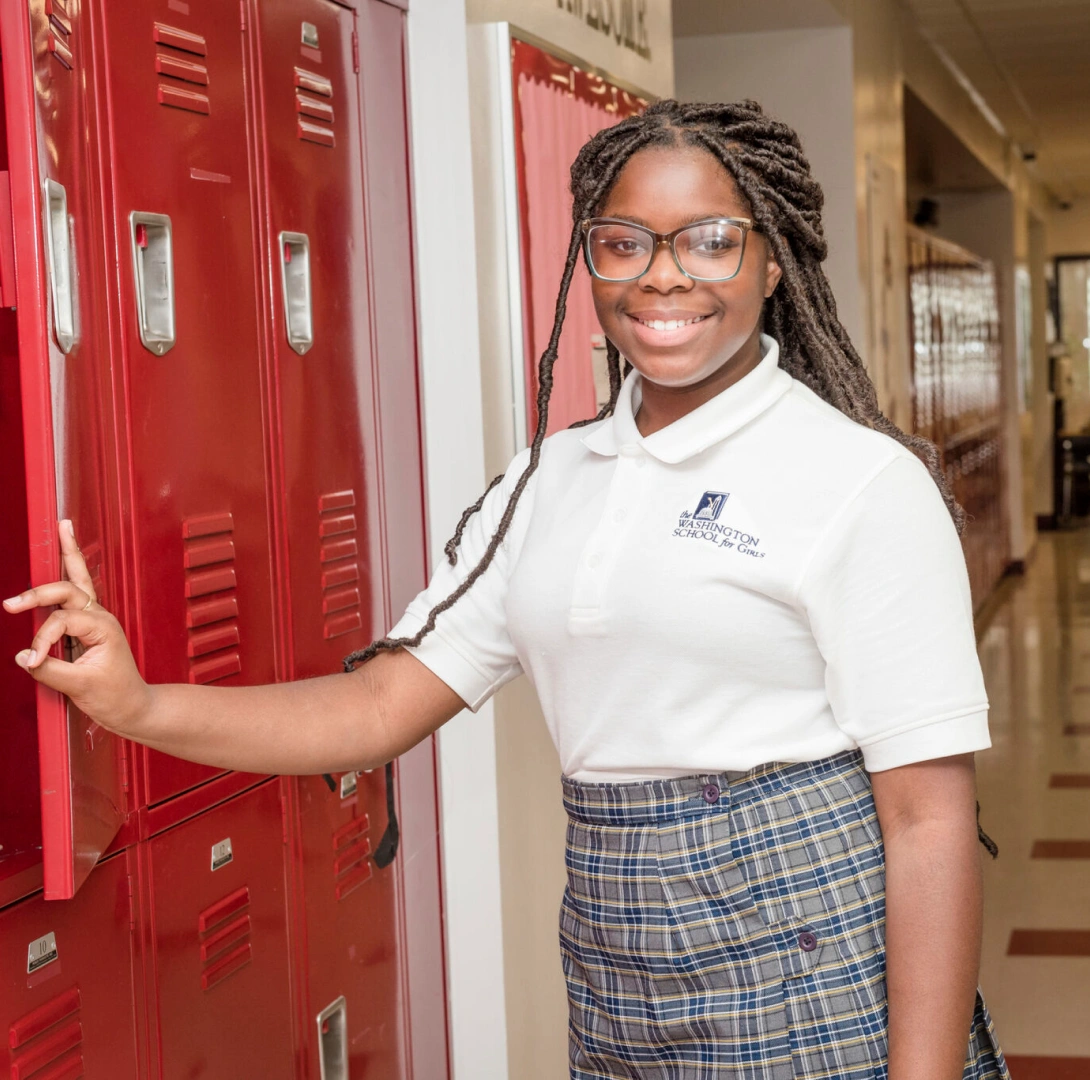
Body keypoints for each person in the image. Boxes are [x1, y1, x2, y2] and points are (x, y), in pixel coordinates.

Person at [6, 100, 1009, 1079]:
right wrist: (137, 705)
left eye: (708, 241)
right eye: (624, 242)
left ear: (772, 256)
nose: (664, 277)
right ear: (589, 259)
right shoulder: (544, 486)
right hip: (621, 954)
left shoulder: (858, 481)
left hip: (811, 959)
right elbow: (375, 707)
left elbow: (927, 822)